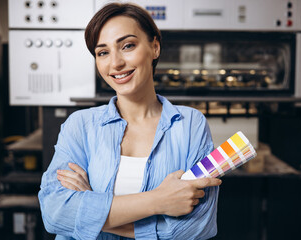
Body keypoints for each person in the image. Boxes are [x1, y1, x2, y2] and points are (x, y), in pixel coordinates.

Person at [38, 3, 221, 240]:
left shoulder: (190, 124)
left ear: (154, 47)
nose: (115, 63)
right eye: (102, 52)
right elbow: (55, 213)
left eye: (127, 46)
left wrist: (90, 212)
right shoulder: (80, 126)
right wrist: (159, 201)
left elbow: (196, 228)